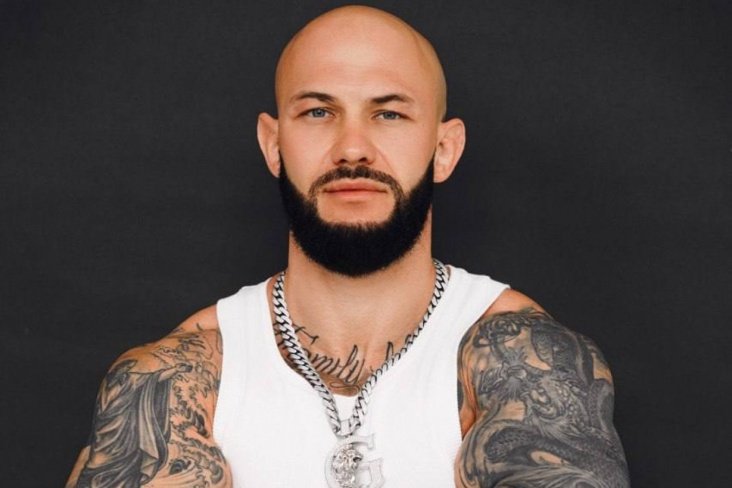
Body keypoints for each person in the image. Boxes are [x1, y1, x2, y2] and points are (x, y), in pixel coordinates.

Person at [66, 5, 630, 488]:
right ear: (273, 145)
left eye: (389, 113)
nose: (353, 148)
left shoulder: (524, 361)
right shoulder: (175, 378)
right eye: (318, 112)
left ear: (444, 149)